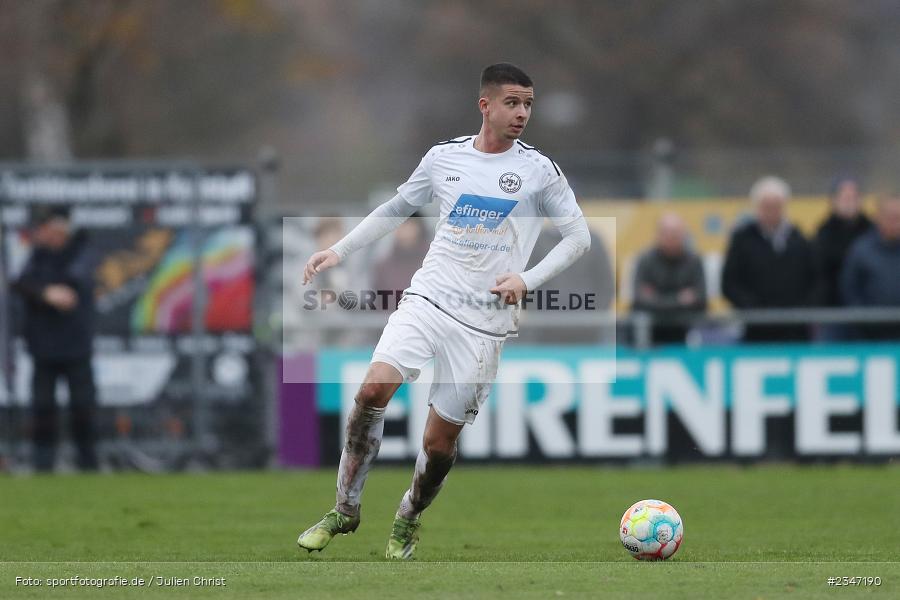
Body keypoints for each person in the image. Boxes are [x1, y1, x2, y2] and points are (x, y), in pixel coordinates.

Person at [297, 63, 590, 559]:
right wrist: (339, 251)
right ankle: (345, 509)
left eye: (528, 104)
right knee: (372, 390)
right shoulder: (444, 159)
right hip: (429, 298)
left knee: (438, 445)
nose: (522, 113)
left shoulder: (540, 170)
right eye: (512, 103)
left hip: (484, 323)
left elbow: (578, 237)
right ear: (486, 105)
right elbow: (397, 208)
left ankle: (409, 516)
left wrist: (527, 278)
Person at [11, 206, 99, 471]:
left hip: (76, 345)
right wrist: (46, 293)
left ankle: (88, 462)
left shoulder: (81, 251)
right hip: (43, 347)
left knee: (83, 406)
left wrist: (47, 290)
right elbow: (21, 283)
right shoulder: (36, 256)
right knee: (43, 407)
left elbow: (73, 285)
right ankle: (43, 463)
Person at [721, 176, 819, 342]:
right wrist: (753, 309)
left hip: (795, 330)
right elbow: (730, 282)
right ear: (757, 207)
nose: (772, 211)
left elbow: (816, 280)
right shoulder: (742, 241)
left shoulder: (800, 241)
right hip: (755, 330)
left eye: (776, 206)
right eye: (767, 206)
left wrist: (801, 310)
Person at [632, 212, 707, 344]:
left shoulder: (694, 261)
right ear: (658, 235)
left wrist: (657, 299)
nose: (671, 238)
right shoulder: (645, 260)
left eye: (675, 234)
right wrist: (680, 299)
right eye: (667, 233)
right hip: (650, 333)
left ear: (684, 235)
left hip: (685, 332)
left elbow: (701, 299)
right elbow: (640, 300)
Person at [814, 176, 872, 339]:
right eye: (845, 197)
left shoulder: (872, 232)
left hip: (869, 315)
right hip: (832, 312)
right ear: (833, 200)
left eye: (853, 197)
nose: (849, 202)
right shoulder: (823, 234)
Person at [840, 195, 900, 340]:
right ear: (878, 217)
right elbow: (849, 289)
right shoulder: (861, 250)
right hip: (870, 337)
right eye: (891, 217)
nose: (896, 222)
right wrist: (865, 320)